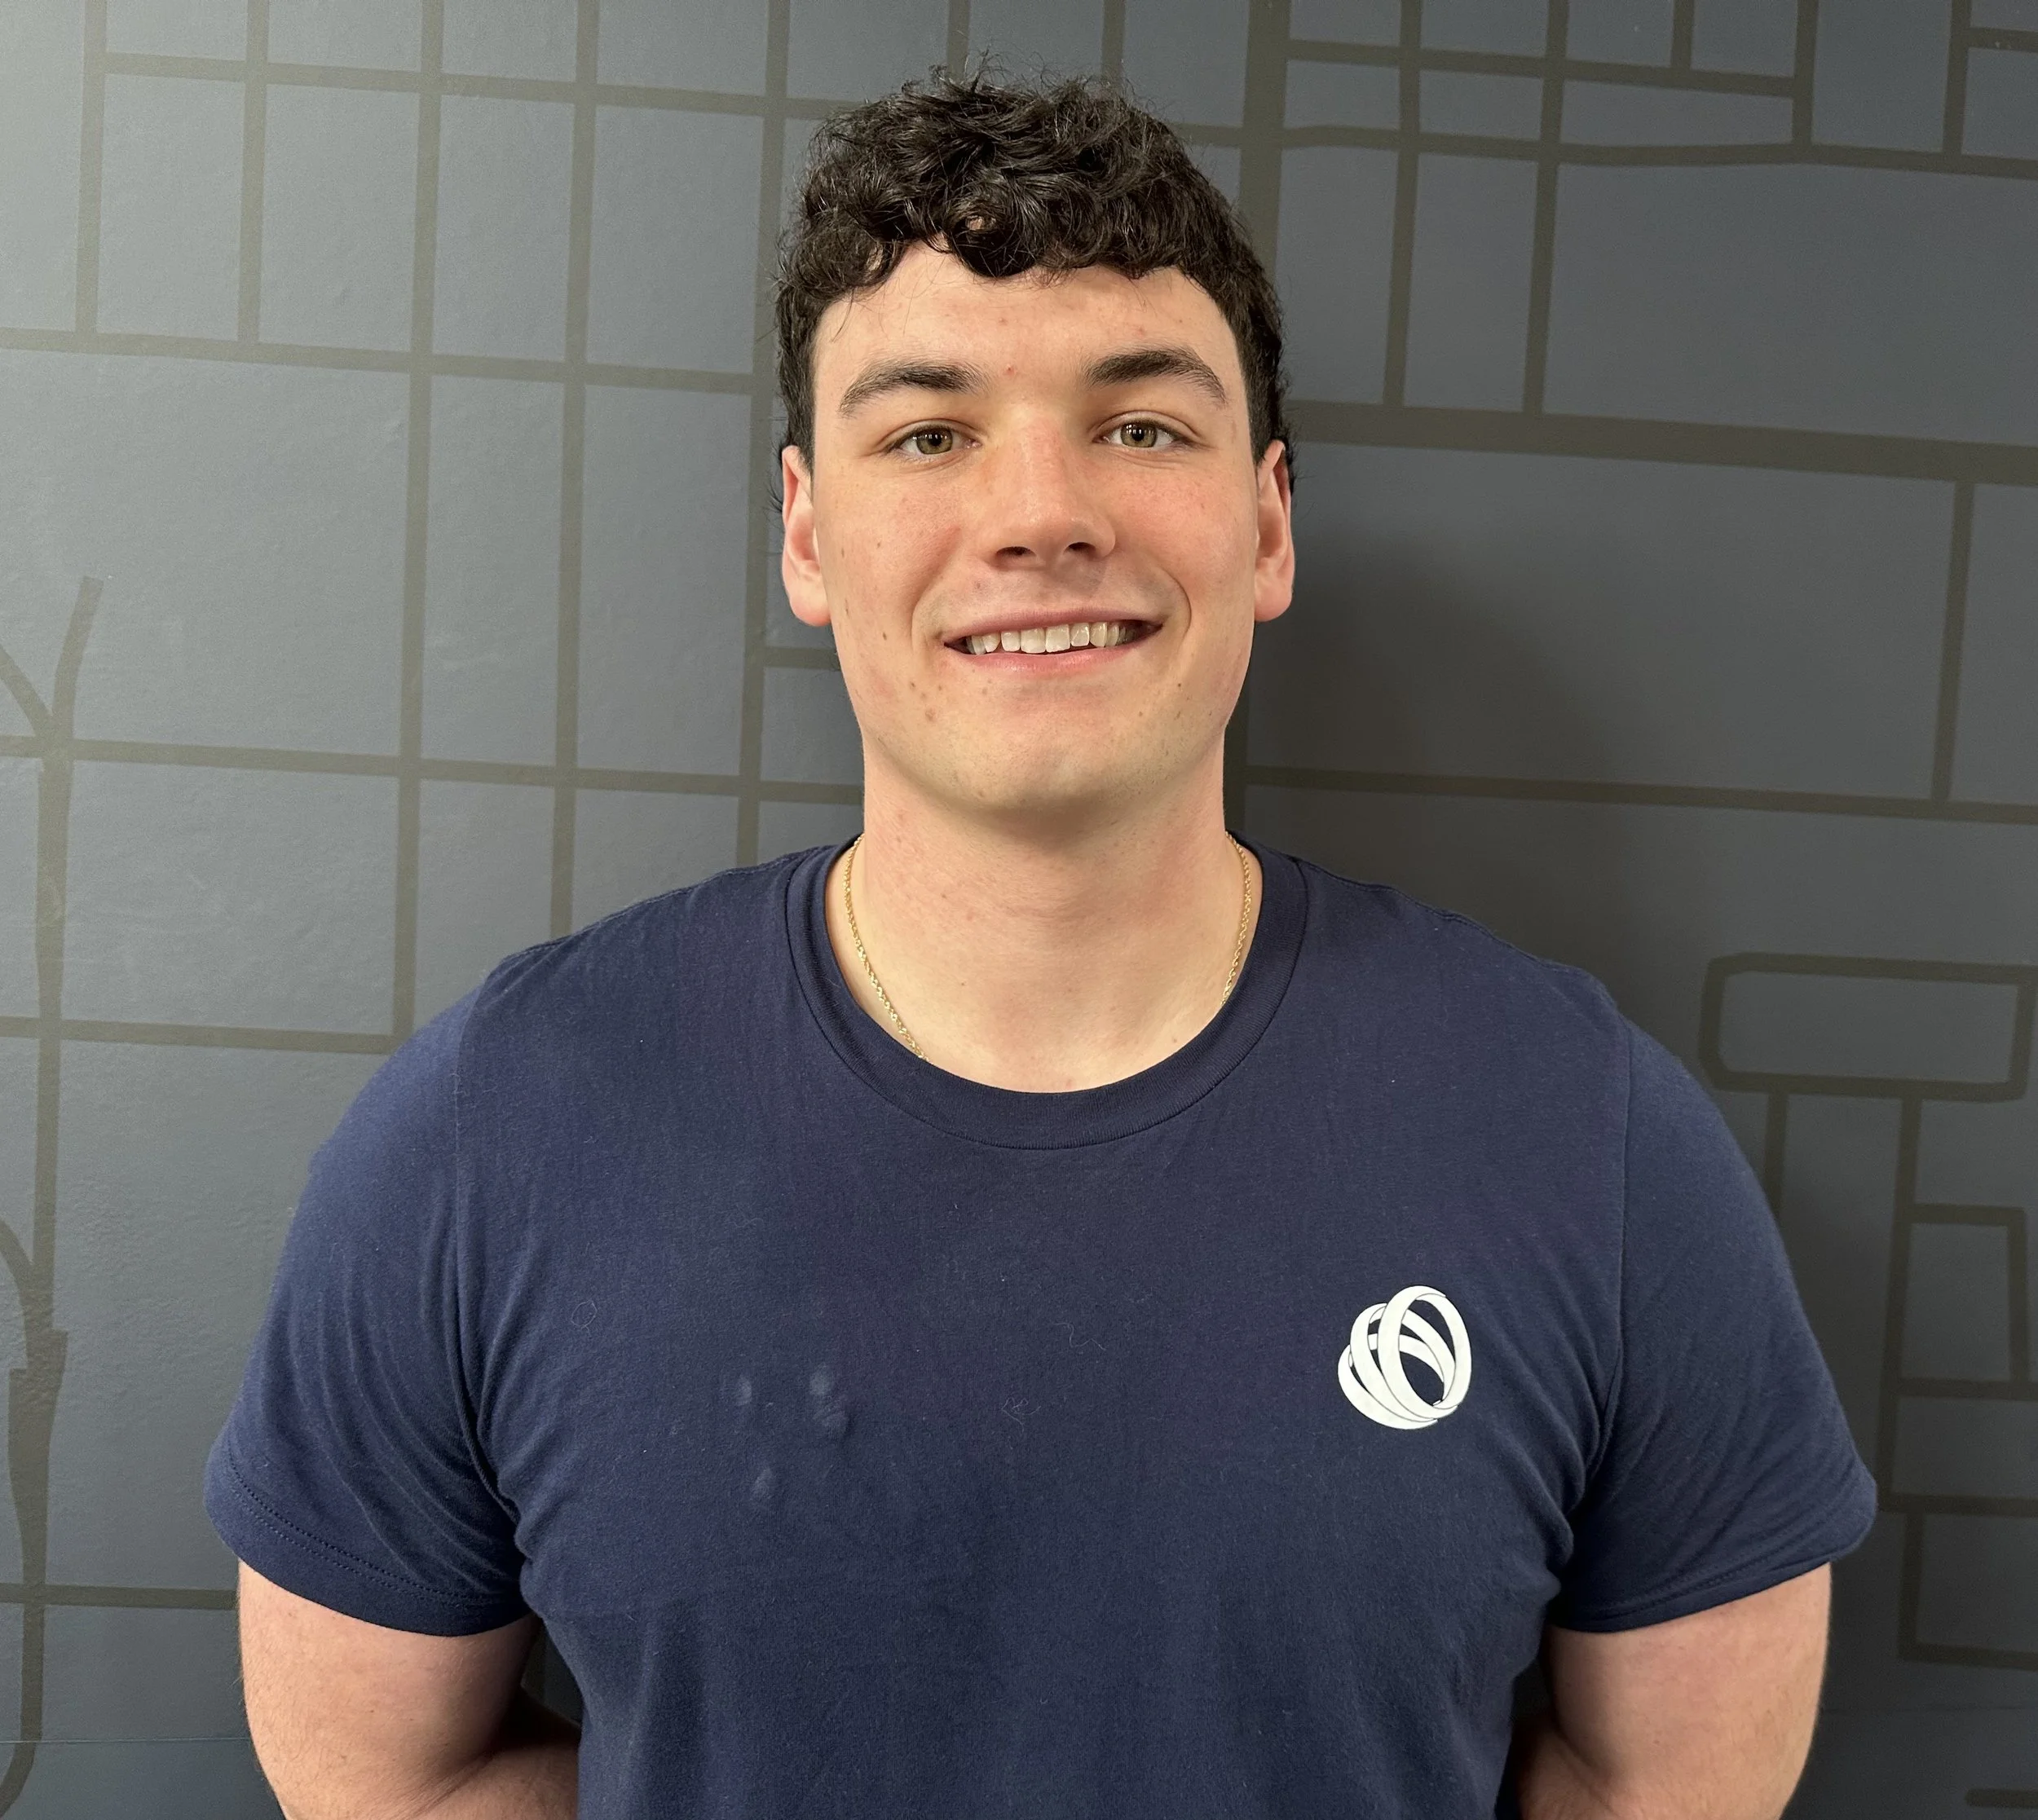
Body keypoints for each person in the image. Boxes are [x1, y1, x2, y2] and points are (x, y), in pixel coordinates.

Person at [208, 73, 1875, 1820]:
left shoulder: (1577, 1130)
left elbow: (1671, 1785)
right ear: (806, 532)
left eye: (1140, 426)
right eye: (928, 435)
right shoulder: (497, 1132)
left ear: (1268, 522)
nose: (1040, 514)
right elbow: (384, 1778)